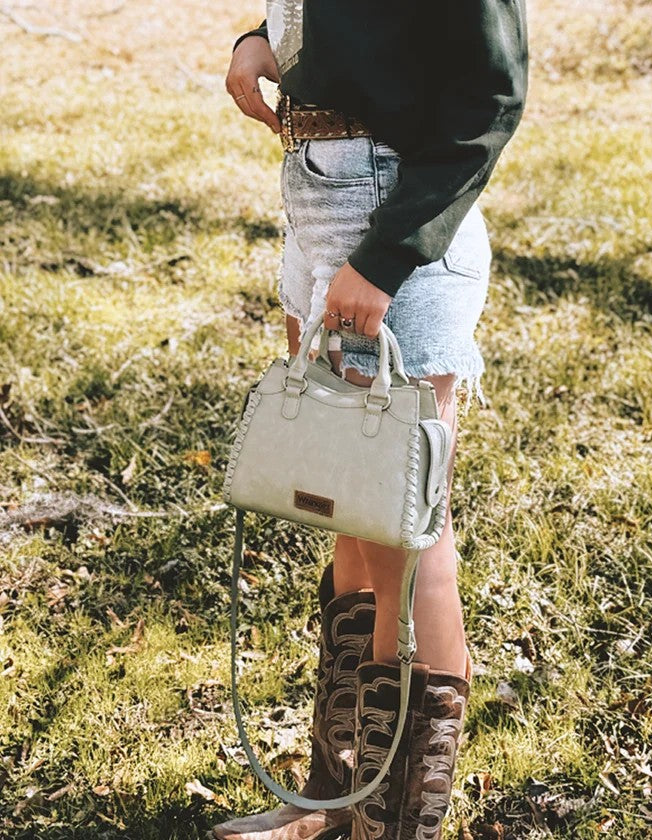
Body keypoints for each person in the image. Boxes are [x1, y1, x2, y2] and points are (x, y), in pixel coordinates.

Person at [212, 3, 528, 839]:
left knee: (407, 538)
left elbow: (490, 96)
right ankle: (332, 801)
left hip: (395, 226)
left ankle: (393, 825)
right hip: (314, 213)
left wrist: (385, 260)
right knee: (347, 516)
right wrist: (261, 39)